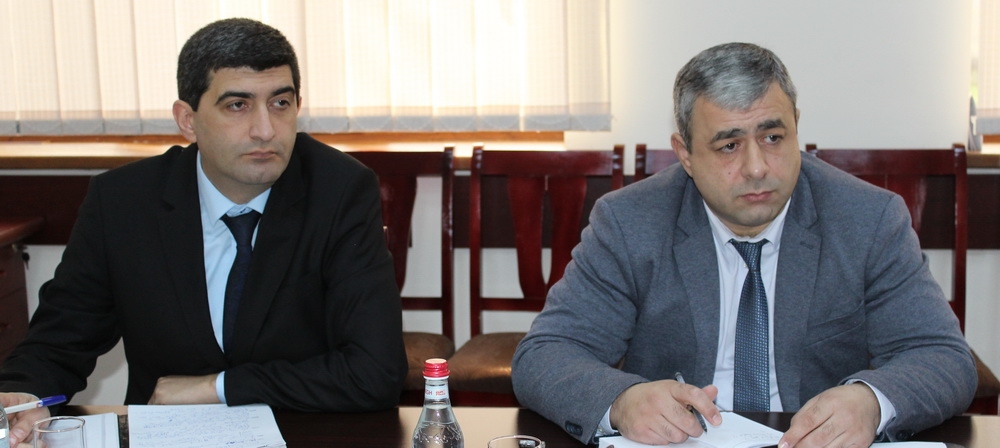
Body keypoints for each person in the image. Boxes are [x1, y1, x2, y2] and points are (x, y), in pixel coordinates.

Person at [511, 42, 976, 447]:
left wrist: (872, 401)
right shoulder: (631, 222)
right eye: (729, 146)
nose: (757, 168)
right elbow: (545, 356)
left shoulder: (867, 219)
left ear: (796, 127)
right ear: (685, 154)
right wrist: (621, 401)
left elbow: (942, 358)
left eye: (773, 137)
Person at [0, 18, 407, 446]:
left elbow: (375, 372)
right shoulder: (123, 202)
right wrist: (24, 396)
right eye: (238, 105)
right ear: (188, 120)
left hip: (304, 435)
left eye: (280, 103)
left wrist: (219, 387)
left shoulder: (339, 191)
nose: (265, 130)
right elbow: (59, 340)